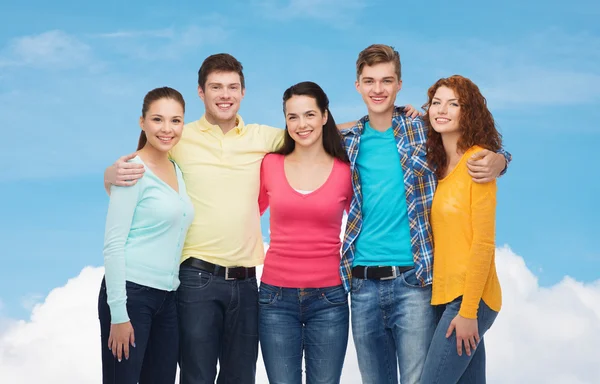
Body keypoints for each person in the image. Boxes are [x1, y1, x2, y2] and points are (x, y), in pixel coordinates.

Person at [103, 53, 420, 383]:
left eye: (233, 87)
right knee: (196, 374)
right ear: (201, 92)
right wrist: (110, 175)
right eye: (216, 87)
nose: (225, 94)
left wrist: (392, 115)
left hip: (247, 280)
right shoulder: (181, 136)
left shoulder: (262, 139)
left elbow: (310, 134)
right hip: (196, 277)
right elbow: (147, 164)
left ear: (243, 92)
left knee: (241, 377)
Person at [338, 44, 512, 384]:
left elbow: (476, 145)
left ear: (400, 84)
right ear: (357, 85)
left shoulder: (421, 134)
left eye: (386, 80)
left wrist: (501, 158)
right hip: (363, 283)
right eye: (369, 81)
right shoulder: (350, 141)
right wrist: (330, 123)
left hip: (415, 282)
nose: (378, 89)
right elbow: (307, 131)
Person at [257, 81, 352, 384]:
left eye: (309, 115)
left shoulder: (344, 171)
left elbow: (365, 223)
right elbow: (244, 214)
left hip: (330, 300)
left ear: (325, 116)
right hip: (274, 299)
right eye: (293, 117)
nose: (301, 124)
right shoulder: (269, 164)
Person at [98, 86, 194, 384]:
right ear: (143, 122)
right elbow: (113, 245)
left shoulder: (177, 169)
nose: (167, 129)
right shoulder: (132, 171)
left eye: (175, 120)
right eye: (158, 120)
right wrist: (119, 314)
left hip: (168, 299)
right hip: (131, 296)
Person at [419, 75, 503, 384]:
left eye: (453, 104)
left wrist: (469, 312)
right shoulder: (437, 167)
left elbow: (483, 243)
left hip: (471, 299)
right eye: (436, 103)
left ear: (468, 112)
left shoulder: (478, 162)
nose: (442, 110)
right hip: (441, 297)